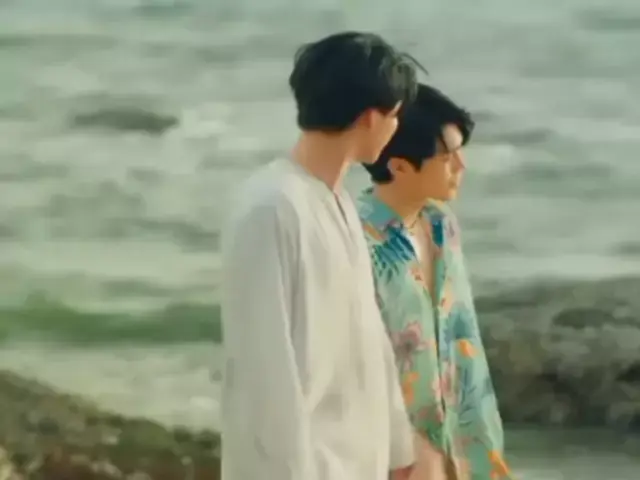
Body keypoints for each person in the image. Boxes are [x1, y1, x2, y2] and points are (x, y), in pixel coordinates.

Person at [220, 32, 425, 480]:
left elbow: (369, 339)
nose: (395, 128)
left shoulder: (339, 203)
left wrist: (397, 450)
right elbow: (264, 369)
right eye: (394, 115)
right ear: (370, 118)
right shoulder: (272, 207)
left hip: (357, 462)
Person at [357, 83, 514, 480]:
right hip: (394, 458)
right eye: (447, 158)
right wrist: (406, 449)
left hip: (466, 449)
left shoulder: (442, 225)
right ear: (399, 167)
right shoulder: (355, 239)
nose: (461, 166)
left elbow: (464, 341)